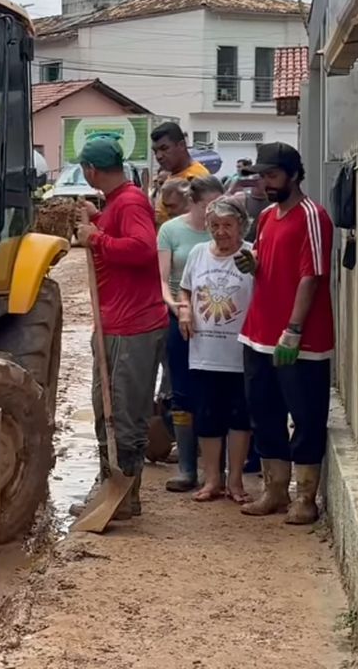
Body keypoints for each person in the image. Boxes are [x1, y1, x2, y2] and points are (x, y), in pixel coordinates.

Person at [235, 142, 334, 525]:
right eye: (262, 176)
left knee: (306, 415)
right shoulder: (266, 217)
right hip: (258, 331)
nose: (265, 183)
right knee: (264, 412)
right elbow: (263, 257)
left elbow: (311, 275)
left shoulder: (313, 216)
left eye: (272, 176)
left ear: (293, 175)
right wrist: (253, 262)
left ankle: (305, 496)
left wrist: (293, 330)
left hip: (301, 340)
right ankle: (274, 490)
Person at [74, 136, 170, 519]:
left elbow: (143, 248)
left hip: (133, 327)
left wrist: (95, 237)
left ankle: (126, 496)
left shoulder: (130, 202)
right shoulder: (117, 202)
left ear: (90, 170)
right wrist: (96, 221)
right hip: (115, 323)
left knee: (124, 415)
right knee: (105, 411)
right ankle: (112, 488)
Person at [177, 197, 256, 503]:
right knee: (207, 417)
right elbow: (184, 288)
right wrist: (184, 309)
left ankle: (235, 481)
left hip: (240, 351)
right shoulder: (198, 253)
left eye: (227, 226)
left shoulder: (250, 255)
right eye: (215, 226)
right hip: (204, 351)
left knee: (239, 417)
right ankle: (212, 480)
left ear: (241, 226)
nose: (221, 232)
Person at [156, 175, 224, 492]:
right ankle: (186, 467)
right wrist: (180, 309)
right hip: (181, 320)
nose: (215, 214)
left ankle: (217, 469)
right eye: (209, 207)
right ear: (193, 203)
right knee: (182, 393)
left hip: (220, 321)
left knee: (217, 392)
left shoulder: (227, 232)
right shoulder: (171, 232)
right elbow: (164, 283)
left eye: (220, 206)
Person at [149, 122, 211, 224]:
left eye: (164, 148)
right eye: (155, 151)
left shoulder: (197, 178)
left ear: (181, 145)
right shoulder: (173, 175)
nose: (159, 156)